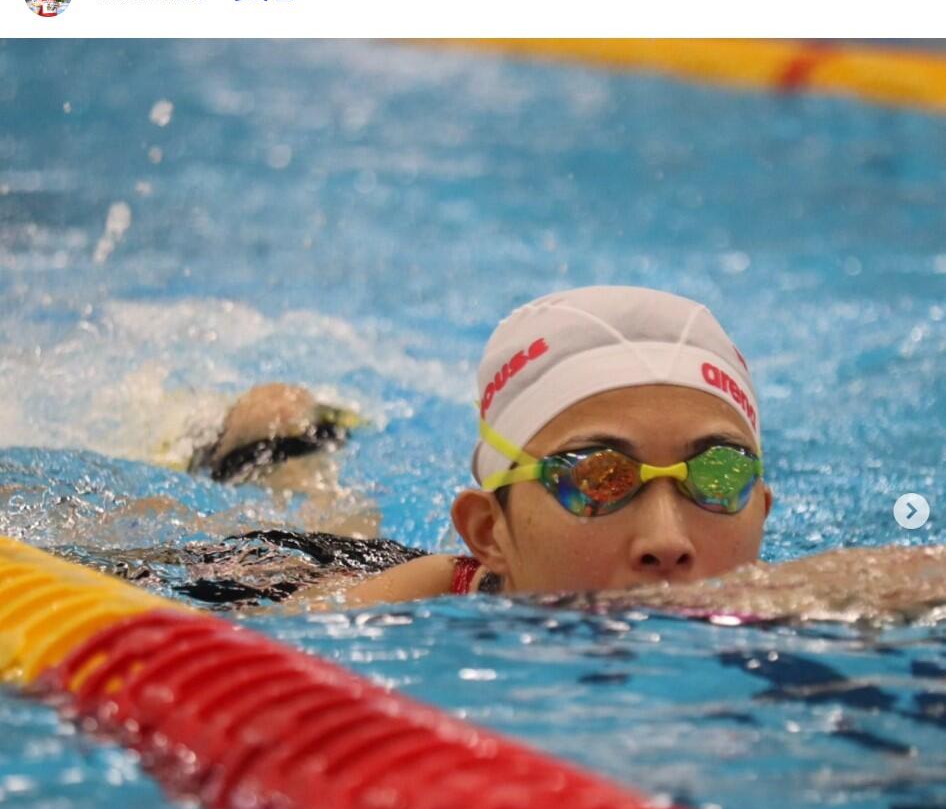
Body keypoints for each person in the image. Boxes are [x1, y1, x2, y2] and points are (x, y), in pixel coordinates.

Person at [175, 285, 944, 619]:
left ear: (763, 511)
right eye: (599, 478)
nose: (669, 543)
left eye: (717, 476)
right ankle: (284, 435)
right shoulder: (410, 607)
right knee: (320, 510)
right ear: (489, 530)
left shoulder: (781, 598)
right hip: (315, 567)